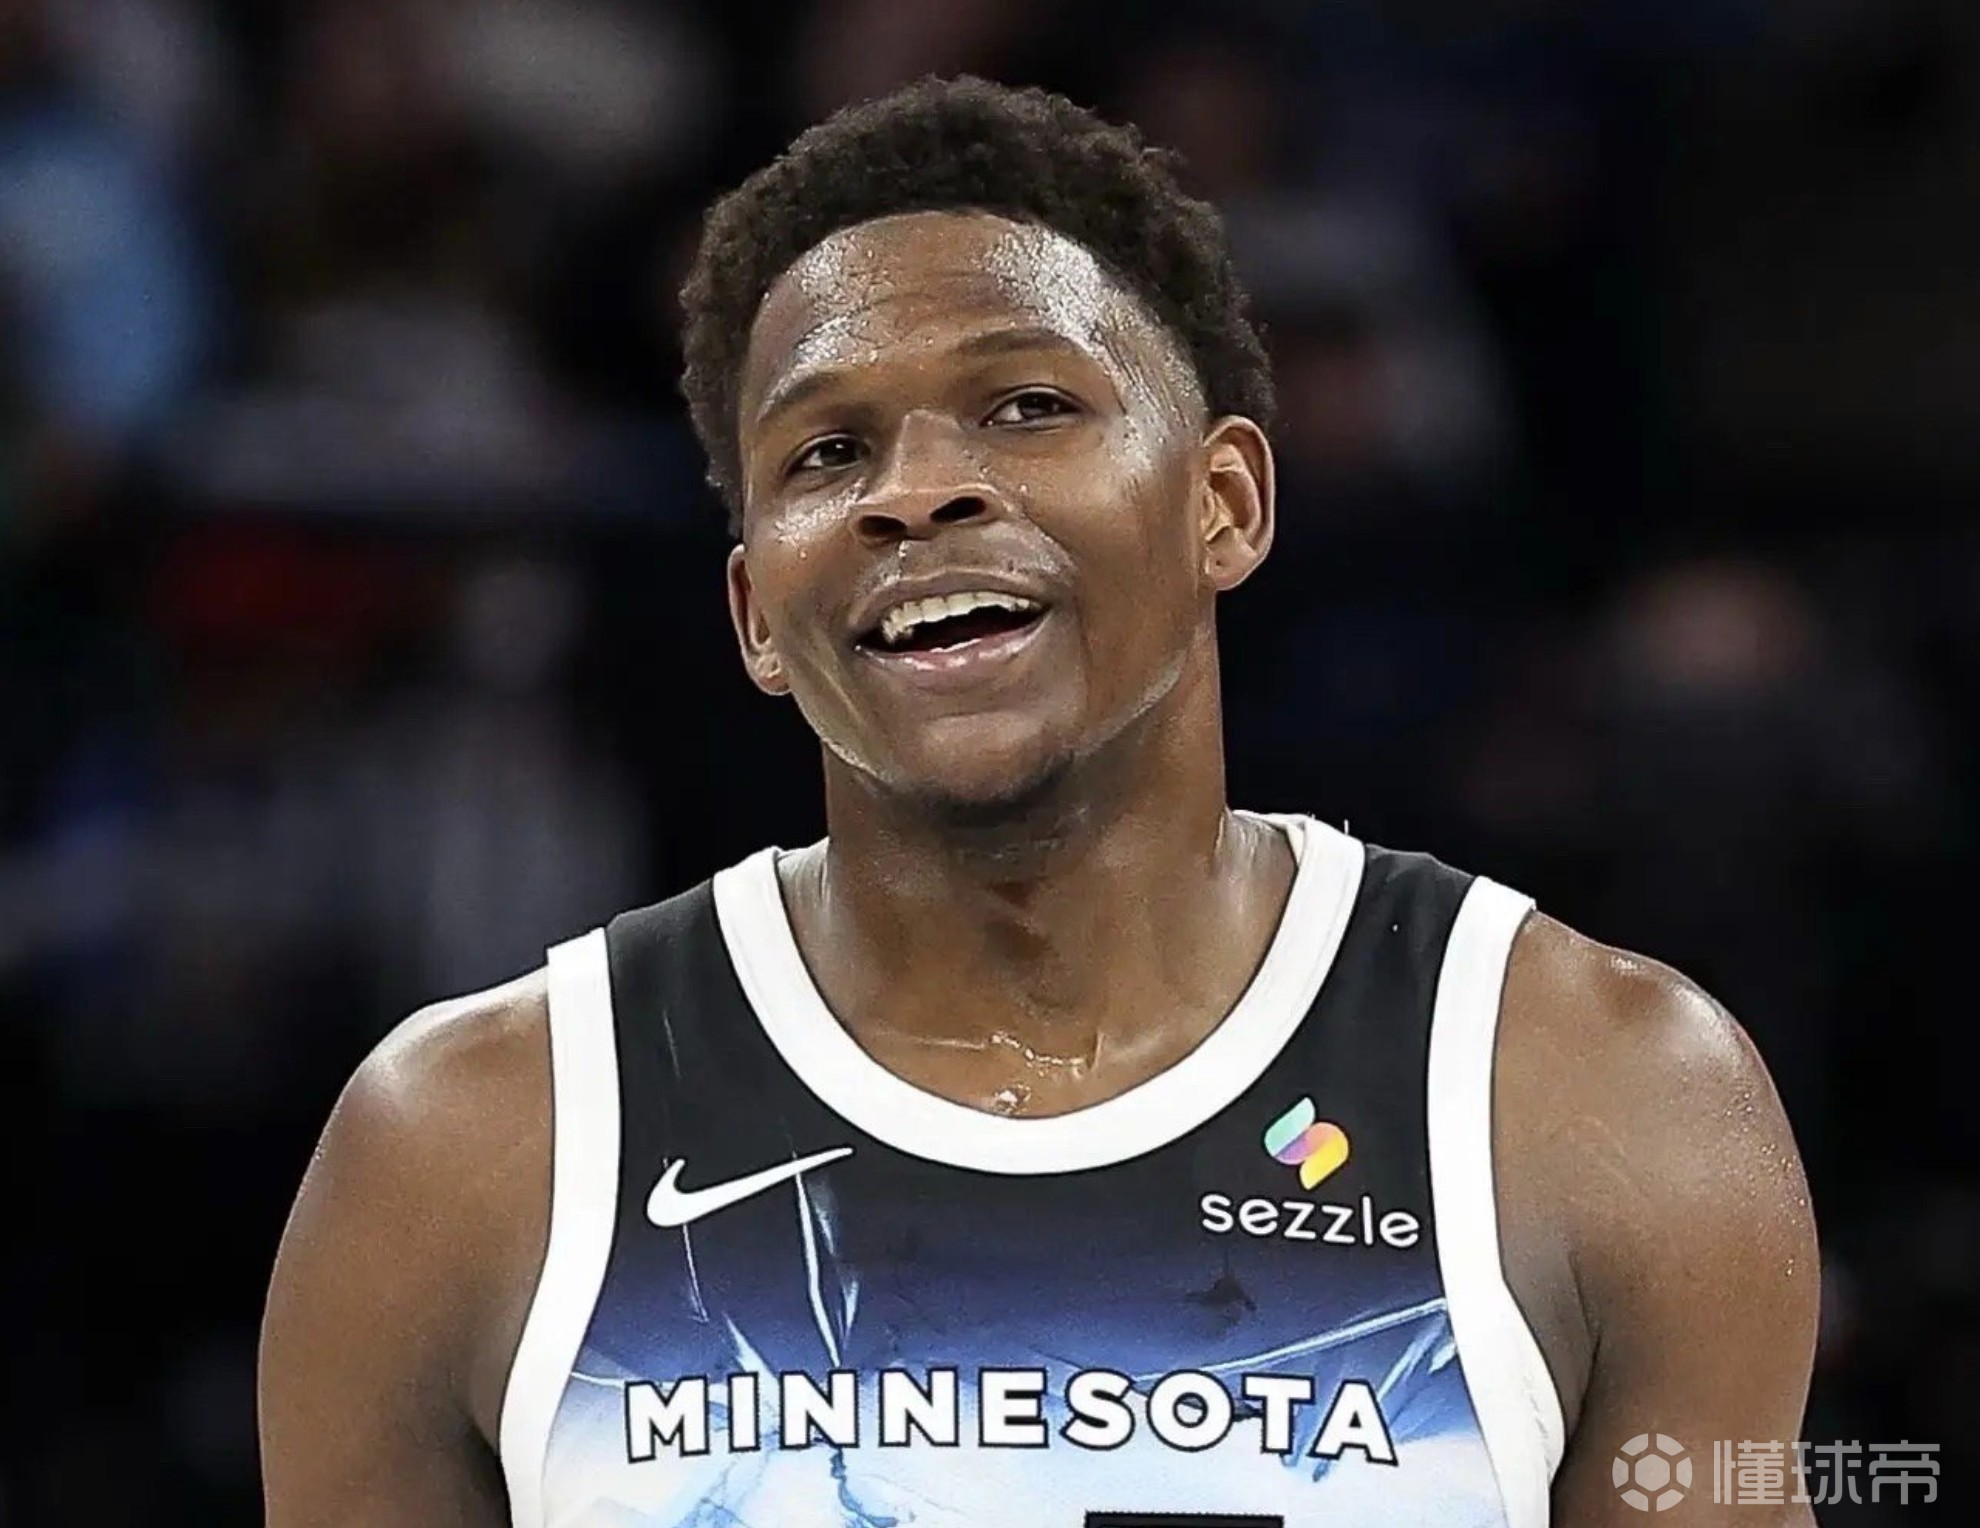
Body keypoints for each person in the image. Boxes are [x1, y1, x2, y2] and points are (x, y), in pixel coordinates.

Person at [259, 77, 1819, 1527]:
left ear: (1224, 504)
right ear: (754, 617)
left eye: (1025, 406)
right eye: (828, 450)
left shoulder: (1606, 1098)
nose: (915, 492)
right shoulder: (464, 1152)